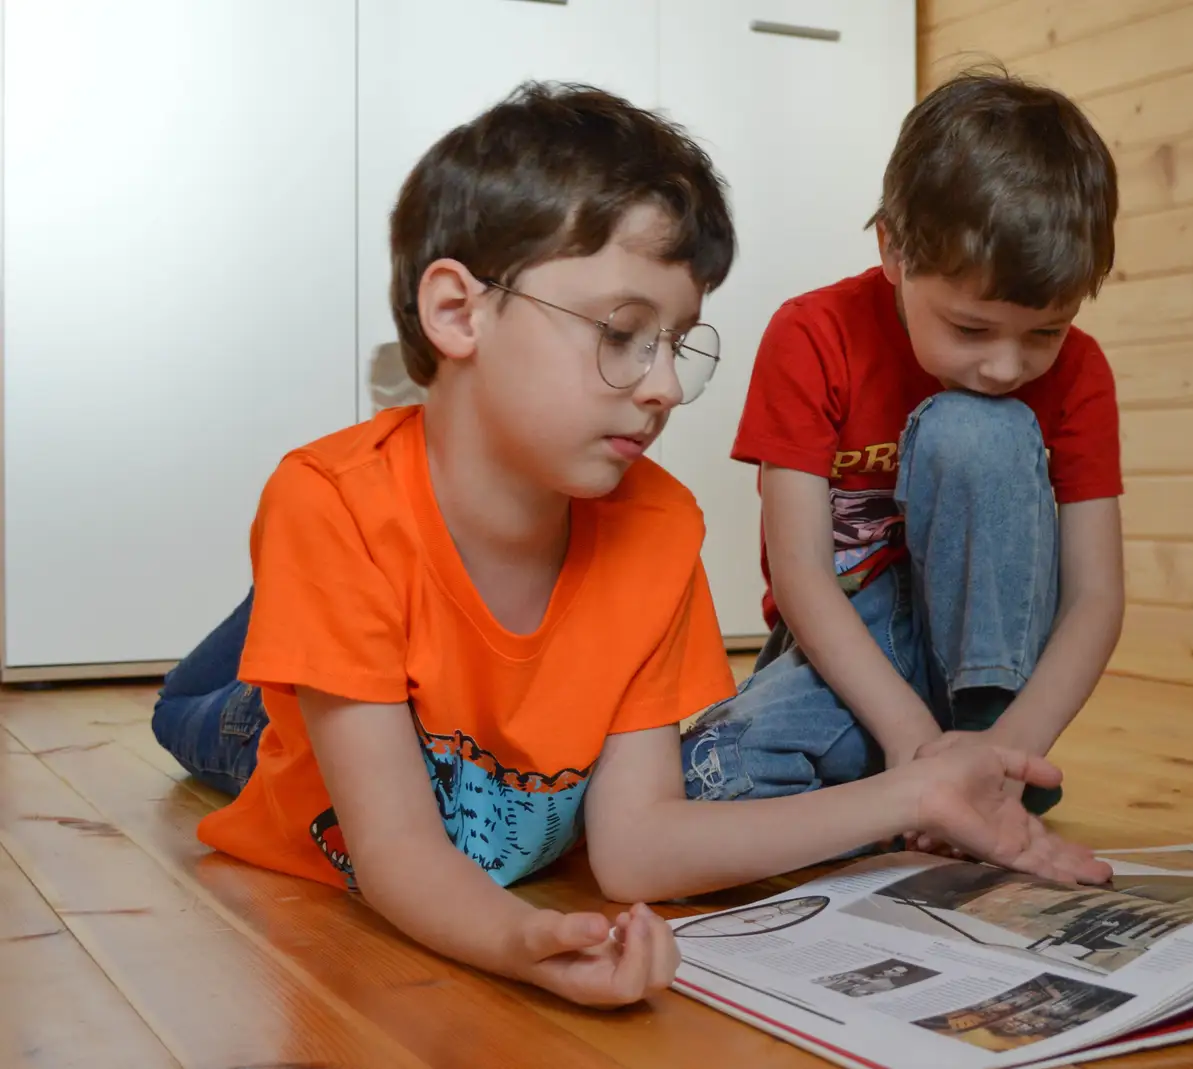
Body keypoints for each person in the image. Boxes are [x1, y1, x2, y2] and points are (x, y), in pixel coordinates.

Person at [150, 82, 1109, 1012]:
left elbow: (637, 851)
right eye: (622, 333)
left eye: (679, 342)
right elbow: (398, 848)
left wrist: (926, 790)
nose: (663, 388)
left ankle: (310, 617)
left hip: (470, 713)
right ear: (457, 312)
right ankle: (276, 631)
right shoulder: (326, 504)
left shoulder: (658, 528)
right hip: (282, 738)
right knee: (196, 714)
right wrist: (514, 941)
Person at [680, 68, 1124, 833]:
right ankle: (922, 786)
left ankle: (980, 759)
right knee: (710, 779)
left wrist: (1009, 747)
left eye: (1044, 332)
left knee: (978, 426)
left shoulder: (1081, 372)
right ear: (892, 249)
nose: (1007, 366)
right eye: (971, 329)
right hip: (852, 643)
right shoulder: (812, 334)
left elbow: (1094, 597)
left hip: (993, 662)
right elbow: (801, 574)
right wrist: (915, 743)